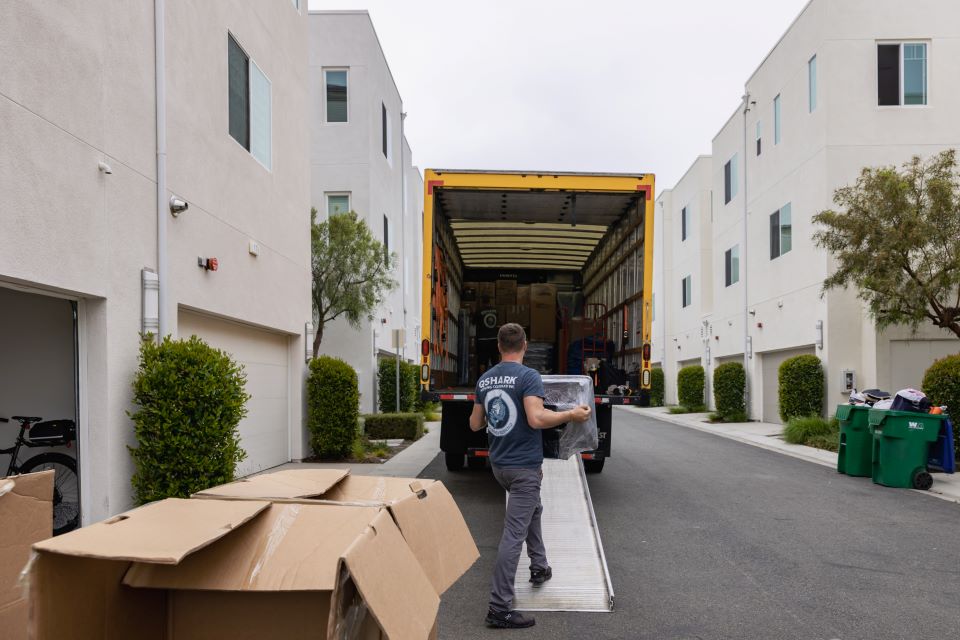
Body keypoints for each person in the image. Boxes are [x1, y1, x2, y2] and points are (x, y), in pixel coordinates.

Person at [469, 322, 592, 629]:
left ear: (499, 346)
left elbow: (474, 424)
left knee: (533, 509)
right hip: (523, 467)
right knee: (513, 535)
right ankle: (498, 609)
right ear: (524, 345)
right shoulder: (528, 376)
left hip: (499, 466)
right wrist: (571, 415)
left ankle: (539, 566)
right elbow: (537, 419)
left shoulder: (485, 380)